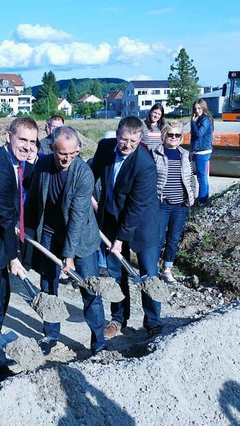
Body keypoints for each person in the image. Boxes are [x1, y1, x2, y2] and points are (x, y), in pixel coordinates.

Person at [25, 126, 106, 355]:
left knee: (90, 289)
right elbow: (32, 201)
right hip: (49, 235)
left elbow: (78, 218)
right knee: (48, 287)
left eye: (72, 154)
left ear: (78, 149)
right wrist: (28, 233)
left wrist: (69, 256)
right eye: (62, 154)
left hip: (81, 240)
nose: (67, 158)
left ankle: (98, 340)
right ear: (52, 149)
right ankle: (50, 334)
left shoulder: (83, 174)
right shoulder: (42, 165)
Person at [90, 116, 161, 338]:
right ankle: (119, 318)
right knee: (115, 273)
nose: (127, 144)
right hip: (111, 219)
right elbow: (91, 174)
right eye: (123, 139)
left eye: (132, 140)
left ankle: (153, 322)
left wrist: (119, 241)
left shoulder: (145, 164)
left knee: (148, 273)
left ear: (140, 139)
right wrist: (90, 199)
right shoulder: (104, 148)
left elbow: (136, 207)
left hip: (142, 224)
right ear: (117, 134)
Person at [0, 117, 35, 385]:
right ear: (8, 136)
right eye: (22, 139)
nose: (27, 146)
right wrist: (13, 257)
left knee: (1, 299)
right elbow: (3, 215)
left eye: (32, 141)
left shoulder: (13, 162)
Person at [152, 121, 196, 284]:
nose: (174, 138)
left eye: (177, 135)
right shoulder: (155, 153)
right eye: (171, 134)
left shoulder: (184, 154)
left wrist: (192, 196)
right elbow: (150, 178)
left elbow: (190, 177)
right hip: (162, 204)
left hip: (180, 205)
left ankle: (167, 269)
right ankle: (152, 269)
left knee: (174, 238)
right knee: (158, 237)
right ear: (164, 135)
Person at [190, 99, 213, 205]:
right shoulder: (202, 119)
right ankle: (204, 198)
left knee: (201, 176)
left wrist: (193, 122)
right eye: (195, 109)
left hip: (202, 151)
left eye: (199, 108)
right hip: (200, 150)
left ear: (204, 108)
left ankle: (202, 200)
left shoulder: (204, 120)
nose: (197, 111)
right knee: (203, 176)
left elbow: (199, 133)